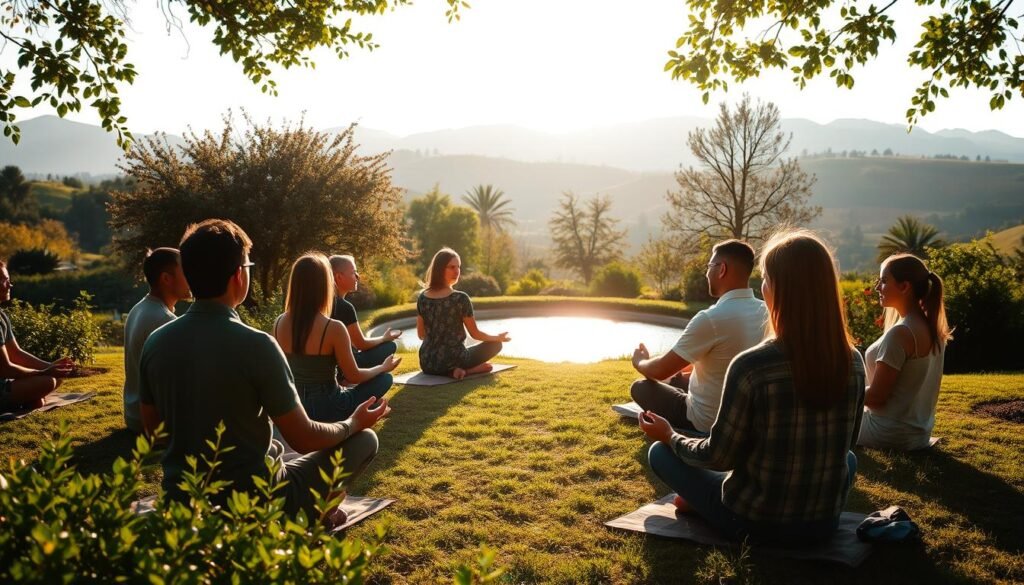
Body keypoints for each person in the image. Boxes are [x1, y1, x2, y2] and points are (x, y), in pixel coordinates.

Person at [139, 219, 389, 524]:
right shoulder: (256, 345)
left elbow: (154, 433)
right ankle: (317, 512)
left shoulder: (155, 343)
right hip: (258, 503)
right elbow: (304, 437)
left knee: (281, 448)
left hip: (183, 501)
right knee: (365, 440)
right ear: (238, 276)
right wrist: (352, 423)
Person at [639, 229, 865, 545]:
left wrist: (669, 435)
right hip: (823, 522)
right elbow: (847, 444)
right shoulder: (854, 361)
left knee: (659, 453)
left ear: (779, 290)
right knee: (849, 460)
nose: (762, 287)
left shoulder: (752, 366)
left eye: (767, 279)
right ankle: (701, 498)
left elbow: (718, 456)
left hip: (754, 522)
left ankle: (701, 501)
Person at [630, 239, 767, 434]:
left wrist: (640, 362)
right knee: (678, 378)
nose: (706, 273)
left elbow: (660, 370)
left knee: (641, 388)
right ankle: (675, 384)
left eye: (710, 266)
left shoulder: (711, 319)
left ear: (722, 270)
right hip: (747, 416)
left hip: (706, 421)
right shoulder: (766, 311)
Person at [274, 253, 400, 422]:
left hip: (295, 410)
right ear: (324, 283)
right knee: (385, 378)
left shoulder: (279, 322)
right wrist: (382, 367)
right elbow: (353, 375)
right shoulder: (333, 327)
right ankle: (363, 410)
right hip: (330, 408)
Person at [858, 253, 951, 451]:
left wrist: (841, 391)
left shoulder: (901, 333)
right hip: (918, 434)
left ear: (904, 286)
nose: (877, 287)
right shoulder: (933, 328)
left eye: (883, 281)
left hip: (887, 433)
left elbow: (876, 398)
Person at [122, 248, 191, 433]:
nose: (192, 276)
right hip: (152, 423)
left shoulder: (138, 309)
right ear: (166, 279)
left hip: (133, 414)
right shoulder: (164, 320)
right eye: (186, 271)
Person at [416, 248, 510, 379]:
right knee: (495, 345)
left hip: (427, 362)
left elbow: (421, 335)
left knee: (455, 357)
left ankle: (452, 371)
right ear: (440, 269)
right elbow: (475, 334)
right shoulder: (460, 298)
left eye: (458, 267)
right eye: (451, 267)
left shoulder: (422, 298)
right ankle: (465, 371)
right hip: (455, 358)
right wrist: (497, 338)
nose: (457, 271)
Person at [0, 259, 75, 411]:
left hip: (6, 383)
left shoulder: (2, 315)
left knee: (56, 378)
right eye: (3, 280)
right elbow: (5, 368)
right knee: (48, 382)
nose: (10, 285)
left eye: (8, 280)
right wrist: (44, 372)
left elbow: (16, 354)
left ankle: (20, 402)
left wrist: (52, 367)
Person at [329, 255, 401, 370]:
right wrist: (384, 338)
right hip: (346, 365)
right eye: (353, 273)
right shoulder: (344, 307)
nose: (358, 277)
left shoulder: (325, 304)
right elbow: (361, 344)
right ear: (338, 277)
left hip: (332, 365)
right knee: (389, 346)